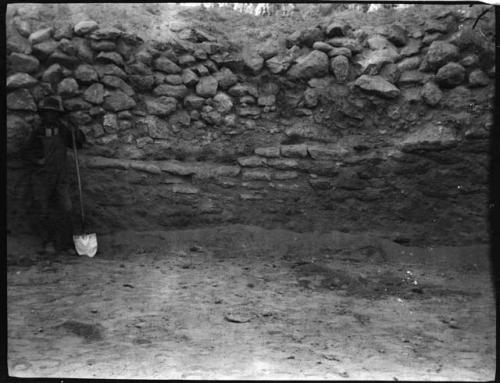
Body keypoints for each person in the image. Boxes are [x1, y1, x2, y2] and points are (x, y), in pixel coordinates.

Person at [24, 95, 85, 255]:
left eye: (53, 113)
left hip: (60, 177)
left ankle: (67, 244)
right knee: (43, 209)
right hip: (41, 178)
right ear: (43, 115)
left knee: (66, 208)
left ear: (58, 115)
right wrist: (38, 161)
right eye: (47, 113)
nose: (50, 116)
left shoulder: (64, 130)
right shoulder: (38, 132)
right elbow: (26, 152)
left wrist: (76, 131)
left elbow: (77, 144)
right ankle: (48, 242)